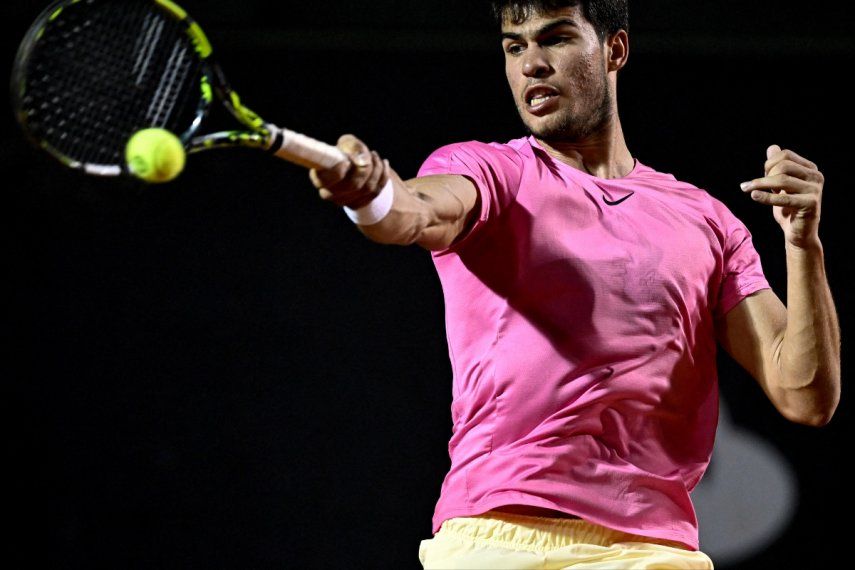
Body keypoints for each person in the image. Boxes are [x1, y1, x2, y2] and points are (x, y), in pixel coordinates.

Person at [309, 1, 841, 568]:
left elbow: (804, 394)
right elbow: (412, 211)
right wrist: (372, 197)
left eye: (555, 40)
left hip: (652, 551)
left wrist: (803, 245)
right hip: (499, 540)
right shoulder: (492, 173)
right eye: (516, 47)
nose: (531, 64)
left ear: (615, 48)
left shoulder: (707, 221)